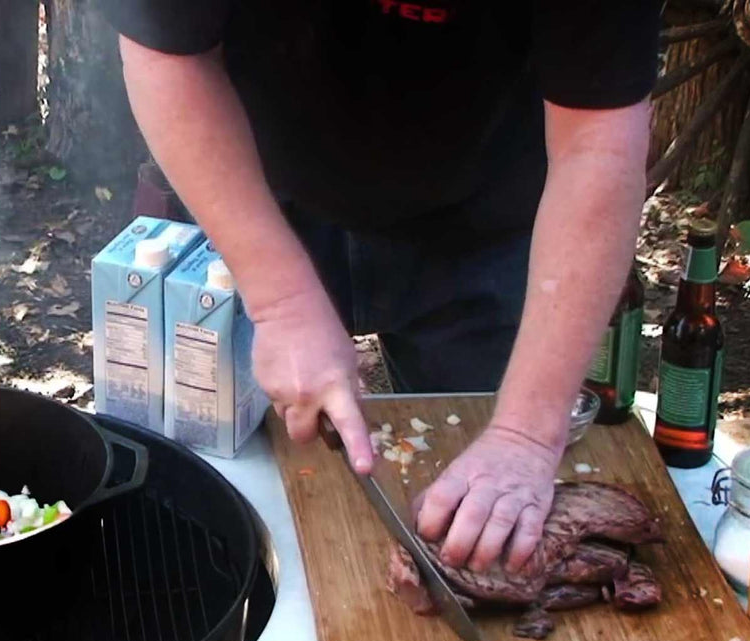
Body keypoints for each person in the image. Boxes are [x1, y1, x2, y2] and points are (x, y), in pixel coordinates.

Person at [97, 1, 659, 574]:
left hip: (493, 215)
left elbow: (599, 142)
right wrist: (283, 304)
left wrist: (526, 437)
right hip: (251, 193)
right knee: (215, 516)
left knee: (496, 532)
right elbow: (165, 54)